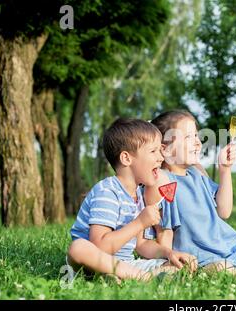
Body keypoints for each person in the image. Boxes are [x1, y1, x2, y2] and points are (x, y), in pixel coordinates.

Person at [144, 110, 236, 276]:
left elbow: (224, 211)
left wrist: (224, 169)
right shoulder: (162, 180)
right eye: (188, 137)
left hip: (231, 246)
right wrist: (170, 262)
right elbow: (163, 232)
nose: (197, 143)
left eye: (196, 136)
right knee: (226, 271)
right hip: (202, 256)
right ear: (165, 149)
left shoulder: (197, 172)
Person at [66, 118, 197, 282]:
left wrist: (168, 253)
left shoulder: (138, 195)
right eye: (153, 151)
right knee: (79, 248)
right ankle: (143, 277)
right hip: (91, 262)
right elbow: (99, 246)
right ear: (126, 159)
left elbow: (141, 245)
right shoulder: (108, 191)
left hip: (125, 264)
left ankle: (119, 276)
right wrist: (140, 223)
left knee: (177, 266)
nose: (161, 157)